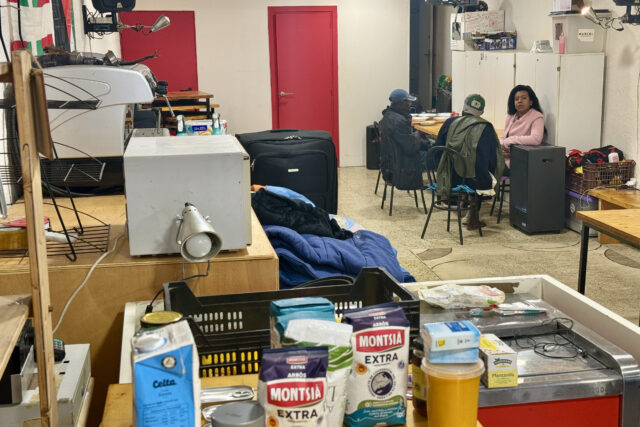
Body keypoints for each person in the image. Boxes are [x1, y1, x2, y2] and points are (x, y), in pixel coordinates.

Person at [433, 94, 505, 230]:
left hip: (448, 177)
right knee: (482, 171)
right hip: (473, 180)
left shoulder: (449, 123)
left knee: (471, 168)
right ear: (481, 112)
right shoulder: (486, 128)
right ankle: (472, 216)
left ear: (464, 107)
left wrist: (442, 170)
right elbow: (492, 160)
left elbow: (437, 151)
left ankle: (461, 204)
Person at [378, 89, 429, 190]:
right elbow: (411, 148)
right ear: (400, 103)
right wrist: (419, 135)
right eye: (408, 102)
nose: (410, 105)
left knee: (429, 148)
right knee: (439, 155)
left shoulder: (388, 116)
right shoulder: (398, 122)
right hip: (402, 166)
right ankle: (444, 191)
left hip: (390, 165)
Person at [500, 85, 545, 169]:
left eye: (524, 98)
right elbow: (503, 137)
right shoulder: (511, 116)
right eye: (516, 99)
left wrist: (510, 140)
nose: (519, 101)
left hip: (521, 160)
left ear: (531, 102)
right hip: (504, 157)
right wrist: (501, 147)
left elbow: (536, 139)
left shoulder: (537, 116)